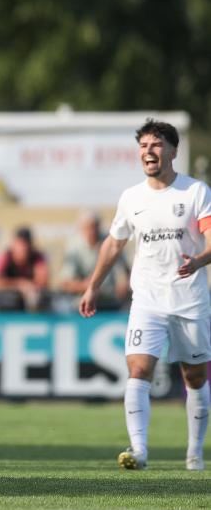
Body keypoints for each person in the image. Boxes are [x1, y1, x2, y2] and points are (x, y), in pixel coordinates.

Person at [80, 119, 210, 471]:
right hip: (148, 300)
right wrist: (93, 285)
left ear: (172, 151)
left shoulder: (195, 192)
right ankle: (139, 451)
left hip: (189, 300)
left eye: (155, 145)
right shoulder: (131, 197)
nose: (147, 152)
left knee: (195, 376)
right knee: (138, 369)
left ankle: (194, 453)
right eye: (142, 146)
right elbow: (114, 243)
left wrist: (198, 260)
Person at [59, 211, 129, 311]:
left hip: (110, 300)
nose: (92, 231)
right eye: (88, 228)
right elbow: (65, 283)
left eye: (94, 227)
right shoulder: (73, 247)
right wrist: (88, 286)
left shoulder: (110, 243)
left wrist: (124, 283)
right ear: (81, 229)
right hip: (82, 303)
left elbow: (126, 270)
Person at [0, 226, 49, 311]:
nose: (23, 248)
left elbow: (43, 281)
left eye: (26, 244)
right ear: (14, 243)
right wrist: (19, 285)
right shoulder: (5, 257)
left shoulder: (37, 257)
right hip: (4, 310)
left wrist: (29, 288)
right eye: (20, 244)